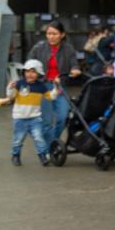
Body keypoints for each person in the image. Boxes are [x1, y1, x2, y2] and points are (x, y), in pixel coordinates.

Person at [28, 20, 82, 148]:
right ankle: (50, 148)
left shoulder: (68, 48)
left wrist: (75, 69)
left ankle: (52, 143)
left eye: (54, 34)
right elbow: (29, 66)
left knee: (62, 118)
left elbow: (75, 64)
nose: (51, 37)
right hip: (43, 87)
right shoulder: (38, 48)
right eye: (48, 33)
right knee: (47, 121)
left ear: (62, 34)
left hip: (60, 87)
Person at [5, 60, 59, 166]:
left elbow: (51, 96)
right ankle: (15, 155)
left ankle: (43, 155)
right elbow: (11, 97)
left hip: (35, 118)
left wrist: (56, 87)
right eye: (27, 71)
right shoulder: (19, 84)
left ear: (38, 73)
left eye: (33, 72)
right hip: (19, 117)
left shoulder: (41, 86)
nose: (29, 74)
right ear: (24, 72)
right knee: (18, 139)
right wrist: (10, 88)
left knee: (39, 137)